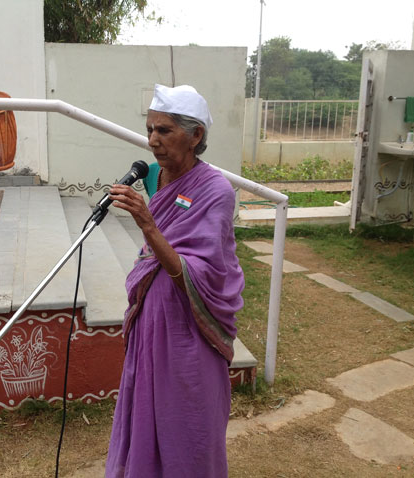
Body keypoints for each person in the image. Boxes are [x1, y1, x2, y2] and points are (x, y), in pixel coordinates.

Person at [104, 84, 245, 477]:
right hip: (151, 319)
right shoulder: (153, 177)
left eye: (165, 131)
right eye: (150, 129)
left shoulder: (215, 190)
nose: (153, 141)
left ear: (196, 134)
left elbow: (203, 274)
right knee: (144, 412)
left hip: (188, 330)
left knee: (186, 420)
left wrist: (147, 224)